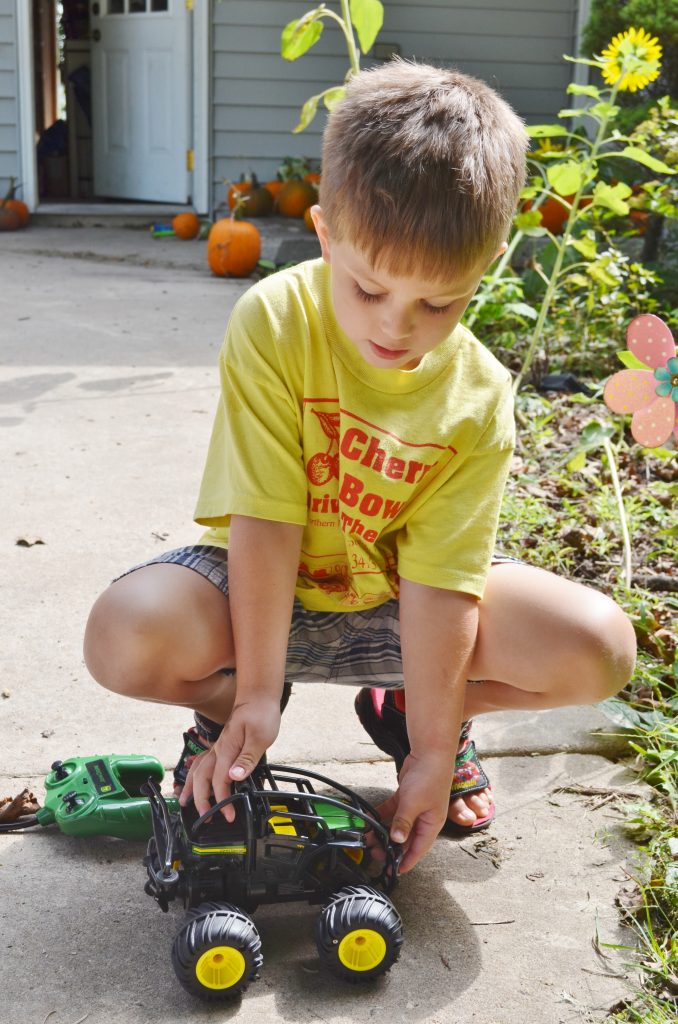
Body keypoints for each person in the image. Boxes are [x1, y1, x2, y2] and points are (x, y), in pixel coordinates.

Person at [83, 61, 636, 874]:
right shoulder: (275, 320)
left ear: (487, 266)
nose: (398, 325)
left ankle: (412, 704)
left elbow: (444, 579)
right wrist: (255, 696)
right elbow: (266, 519)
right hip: (260, 597)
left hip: (401, 605)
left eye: (439, 304)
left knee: (600, 647)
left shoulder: (478, 396)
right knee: (122, 635)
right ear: (324, 234)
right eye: (370, 287)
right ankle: (226, 716)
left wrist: (432, 750)